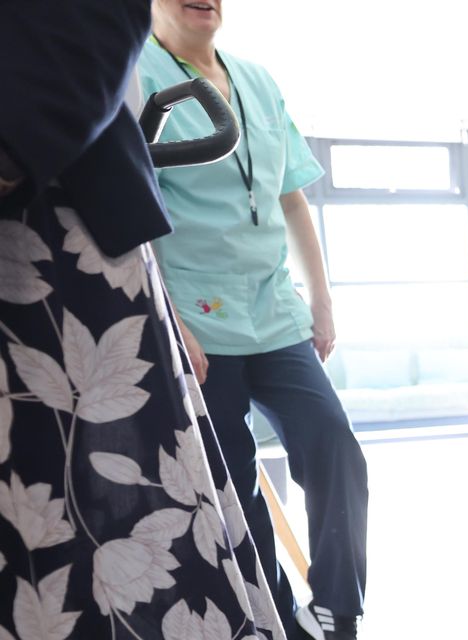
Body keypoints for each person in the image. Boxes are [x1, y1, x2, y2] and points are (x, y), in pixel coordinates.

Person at [0, 1, 287, 637]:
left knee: (114, 529)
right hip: (179, 295)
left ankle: (331, 608)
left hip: (44, 229)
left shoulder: (256, 82)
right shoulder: (161, 74)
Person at [137, 2, 368, 639]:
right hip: (195, 313)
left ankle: (337, 609)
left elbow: (291, 196)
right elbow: (131, 204)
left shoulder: (258, 80)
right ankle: (272, 614)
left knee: (333, 444)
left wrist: (320, 297)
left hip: (274, 307)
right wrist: (166, 315)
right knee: (235, 482)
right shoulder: (137, 76)